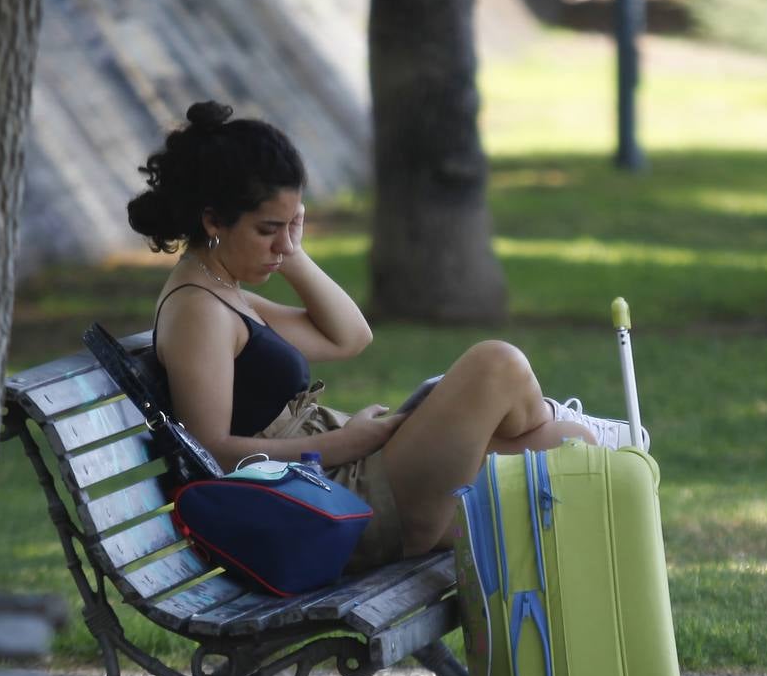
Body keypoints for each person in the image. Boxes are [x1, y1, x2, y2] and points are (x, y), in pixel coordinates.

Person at [127, 101, 644, 571]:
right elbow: (211, 453)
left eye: (296, 224)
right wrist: (343, 443)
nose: (284, 245)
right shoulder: (199, 311)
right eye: (268, 230)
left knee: (567, 449)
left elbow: (349, 337)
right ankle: (550, 410)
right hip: (330, 502)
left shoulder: (222, 291)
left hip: (344, 477)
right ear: (213, 219)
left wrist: (289, 247)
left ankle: (556, 419)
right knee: (496, 364)